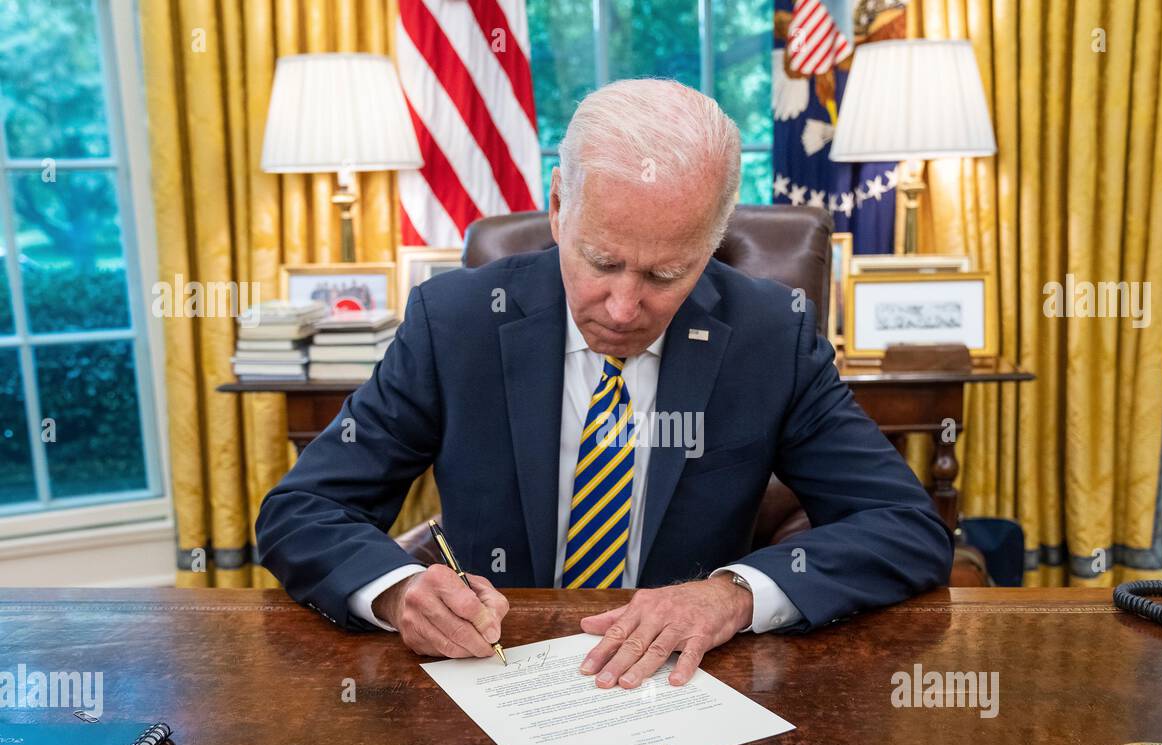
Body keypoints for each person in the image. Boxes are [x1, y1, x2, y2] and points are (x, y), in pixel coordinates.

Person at [256, 78, 953, 691]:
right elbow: (304, 509)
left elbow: (905, 528)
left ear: (712, 244)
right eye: (601, 261)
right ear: (560, 207)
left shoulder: (771, 337)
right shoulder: (456, 323)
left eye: (664, 275)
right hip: (494, 680)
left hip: (686, 689)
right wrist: (399, 592)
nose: (623, 308)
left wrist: (734, 596)